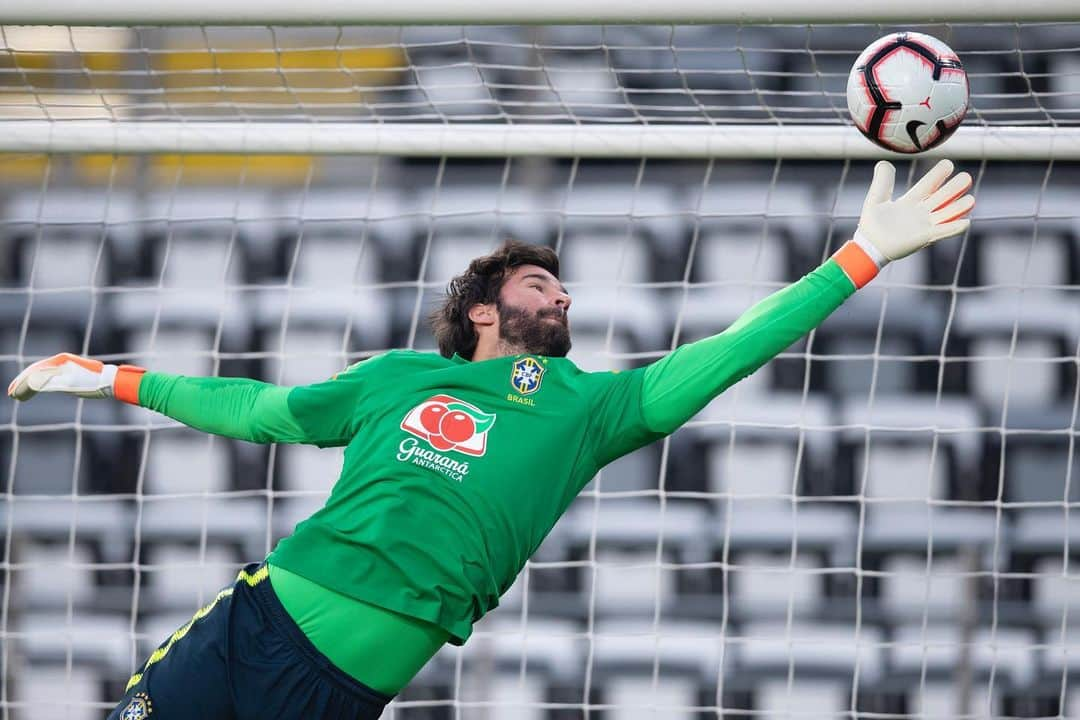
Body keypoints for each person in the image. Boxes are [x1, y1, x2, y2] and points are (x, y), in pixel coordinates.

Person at [7, 160, 974, 720]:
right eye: (536, 282)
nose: (559, 292)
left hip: (340, 688)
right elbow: (254, 411)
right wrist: (108, 376)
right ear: (479, 310)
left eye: (563, 286)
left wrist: (860, 258)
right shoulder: (392, 380)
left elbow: (729, 351)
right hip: (247, 625)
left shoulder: (589, 407)